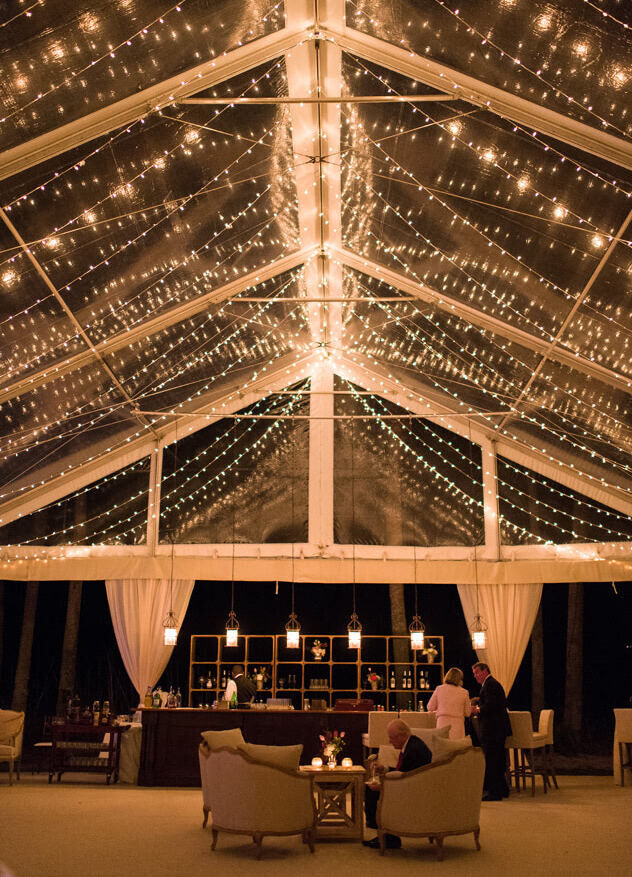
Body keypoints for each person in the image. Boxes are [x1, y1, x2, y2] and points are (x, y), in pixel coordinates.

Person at [363, 719, 432, 850]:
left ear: (402, 736)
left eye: (392, 738)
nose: (390, 741)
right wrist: (385, 769)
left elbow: (405, 779)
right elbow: (405, 772)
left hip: (414, 793)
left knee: (372, 790)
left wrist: (383, 786)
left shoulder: (413, 750)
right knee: (371, 787)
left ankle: (384, 834)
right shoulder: (412, 744)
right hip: (415, 785)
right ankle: (381, 830)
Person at [471, 662, 511, 801]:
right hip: (498, 729)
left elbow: (492, 705)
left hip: (494, 729)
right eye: (474, 673)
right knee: (497, 759)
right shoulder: (491, 684)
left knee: (493, 760)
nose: (475, 676)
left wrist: (477, 710)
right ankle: (503, 789)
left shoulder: (490, 685)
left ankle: (495, 792)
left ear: (485, 671)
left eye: (477, 672)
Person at [427, 666, 471, 739]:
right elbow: (467, 713)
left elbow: (430, 707)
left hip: (442, 723)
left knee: (443, 746)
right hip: (458, 725)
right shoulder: (464, 692)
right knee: (456, 747)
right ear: (460, 679)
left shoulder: (439, 689)